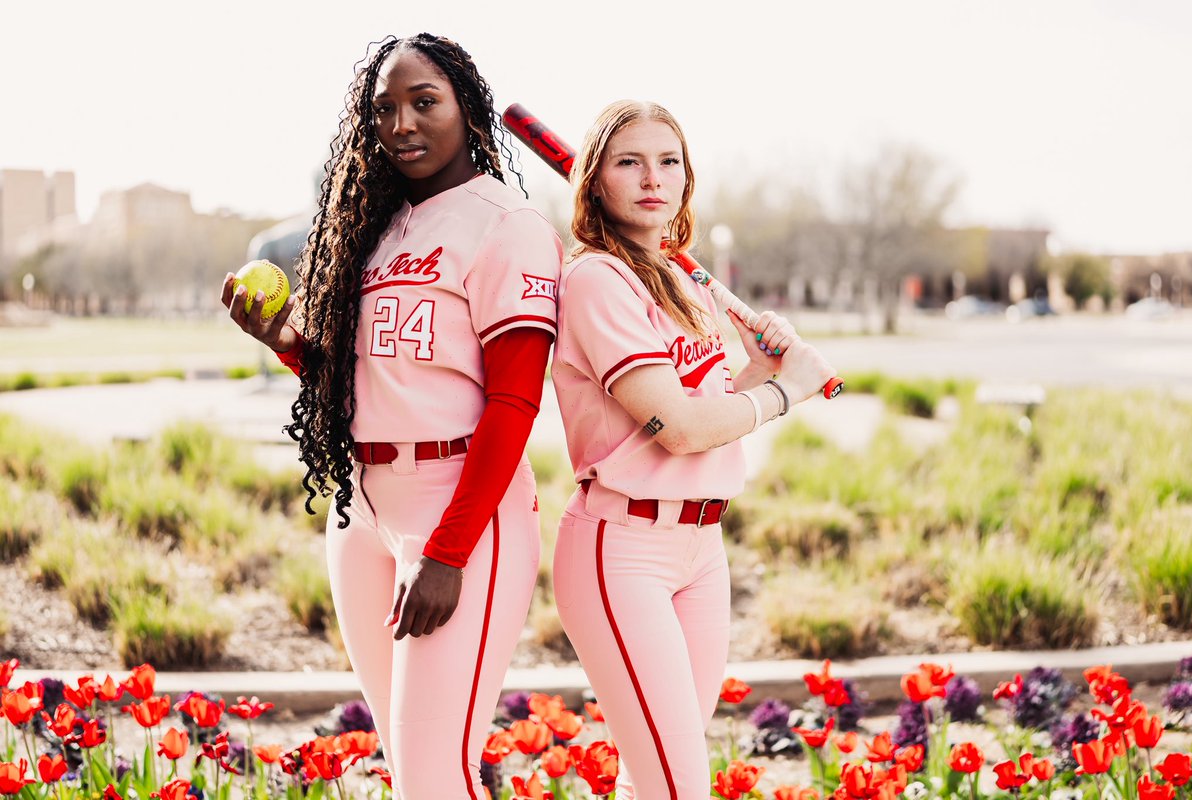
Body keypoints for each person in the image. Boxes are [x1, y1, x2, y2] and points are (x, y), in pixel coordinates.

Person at [220, 33, 562, 799]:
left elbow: (514, 401)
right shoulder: (379, 230)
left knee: (432, 781)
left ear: (470, 113)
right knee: (411, 768)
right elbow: (365, 378)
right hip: (363, 516)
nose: (401, 124)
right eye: (383, 109)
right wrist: (284, 342)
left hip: (461, 516)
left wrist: (447, 553)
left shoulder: (507, 225)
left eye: (423, 102)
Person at [551, 100, 837, 799]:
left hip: (701, 549)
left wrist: (762, 371)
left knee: (651, 781)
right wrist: (785, 393)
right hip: (622, 548)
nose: (653, 177)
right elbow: (675, 428)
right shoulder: (596, 281)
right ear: (595, 181)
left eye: (667, 161)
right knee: (678, 786)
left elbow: (710, 411)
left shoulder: (684, 282)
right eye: (629, 161)